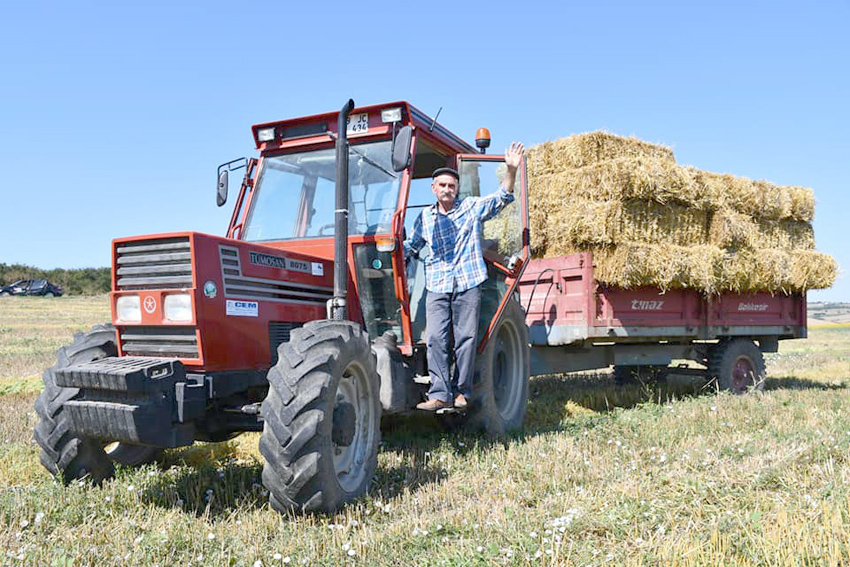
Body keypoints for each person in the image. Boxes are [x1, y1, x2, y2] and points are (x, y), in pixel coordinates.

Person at [404, 142, 525, 411]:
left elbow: (502, 198)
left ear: (456, 189)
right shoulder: (424, 218)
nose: (447, 189)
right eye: (442, 185)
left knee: (466, 338)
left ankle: (461, 391)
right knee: (435, 338)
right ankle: (439, 394)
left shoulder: (470, 208)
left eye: (452, 185)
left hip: (468, 284)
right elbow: (410, 247)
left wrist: (511, 170)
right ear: (433, 188)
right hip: (437, 285)